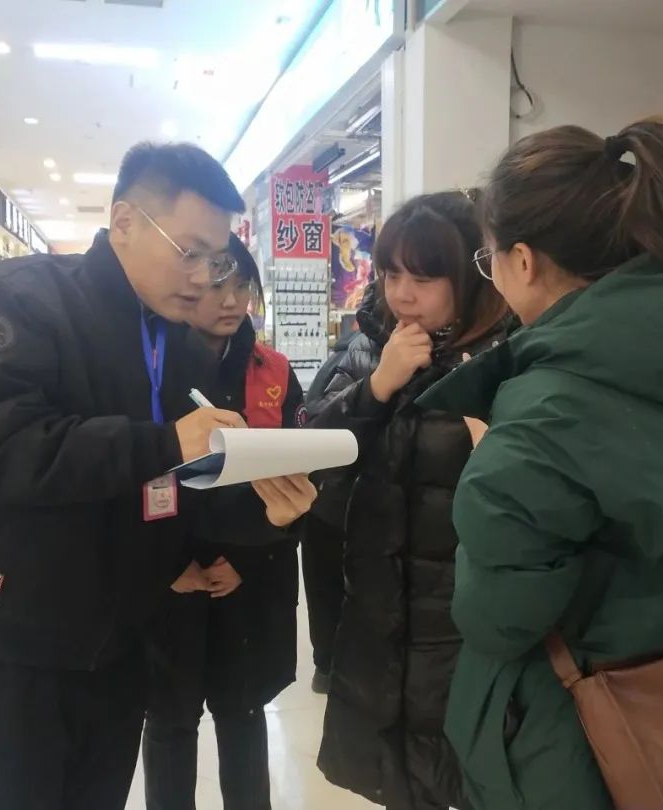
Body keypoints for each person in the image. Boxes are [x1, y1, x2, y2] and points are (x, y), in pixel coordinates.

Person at [0, 142, 317, 810]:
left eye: (216, 260)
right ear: (124, 221)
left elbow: (179, 486)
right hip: (4, 645)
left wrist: (264, 514)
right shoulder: (19, 301)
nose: (204, 278)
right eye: (189, 252)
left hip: (118, 645)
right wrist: (161, 442)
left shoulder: (174, 345)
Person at [416, 119, 663, 809]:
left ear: (522, 262)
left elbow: (499, 618)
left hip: (581, 749)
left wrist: (489, 467)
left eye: (487, 257)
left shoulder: (541, 417)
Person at [310, 192, 511, 810]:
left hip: (460, 626)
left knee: (462, 773)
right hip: (376, 617)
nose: (401, 294)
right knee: (392, 775)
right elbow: (314, 454)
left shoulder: (504, 358)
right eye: (391, 274)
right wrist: (376, 387)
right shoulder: (365, 347)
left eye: (423, 279)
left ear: (468, 277)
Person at [143, 235, 303, 810]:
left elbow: (299, 478)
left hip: (246, 575)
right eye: (217, 286)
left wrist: (248, 560)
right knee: (169, 720)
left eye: (241, 287)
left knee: (243, 712)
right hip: (169, 578)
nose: (232, 301)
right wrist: (168, 566)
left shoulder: (273, 372)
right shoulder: (148, 370)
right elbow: (129, 473)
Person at [302, 281, 375, 695]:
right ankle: (328, 664)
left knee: (329, 587)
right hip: (339, 499)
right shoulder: (357, 355)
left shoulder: (343, 355)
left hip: (336, 501)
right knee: (331, 585)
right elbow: (320, 429)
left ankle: (327, 664)